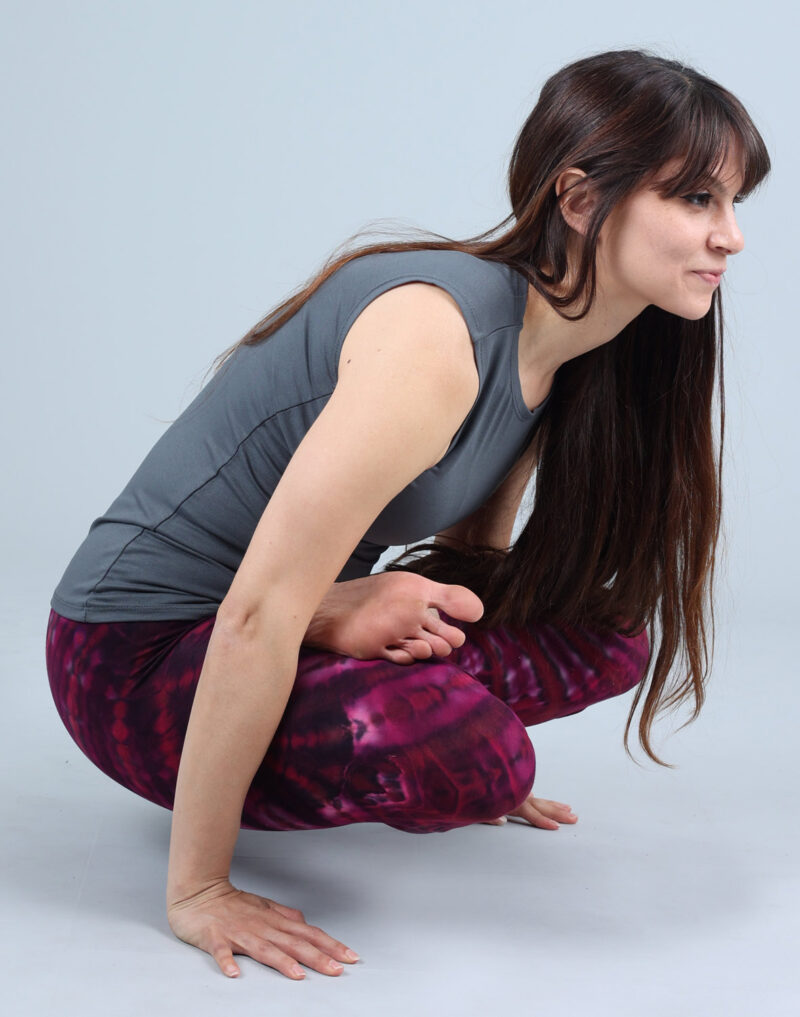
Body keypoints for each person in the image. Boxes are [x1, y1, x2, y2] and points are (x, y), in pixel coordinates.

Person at [45, 48, 770, 982]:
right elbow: (257, 613)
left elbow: (468, 561)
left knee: (612, 637)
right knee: (483, 759)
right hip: (130, 661)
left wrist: (446, 713)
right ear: (581, 198)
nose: (731, 237)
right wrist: (200, 890)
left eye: (734, 202)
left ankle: (424, 719)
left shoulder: (561, 348)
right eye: (697, 199)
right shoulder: (437, 339)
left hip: (263, 620)